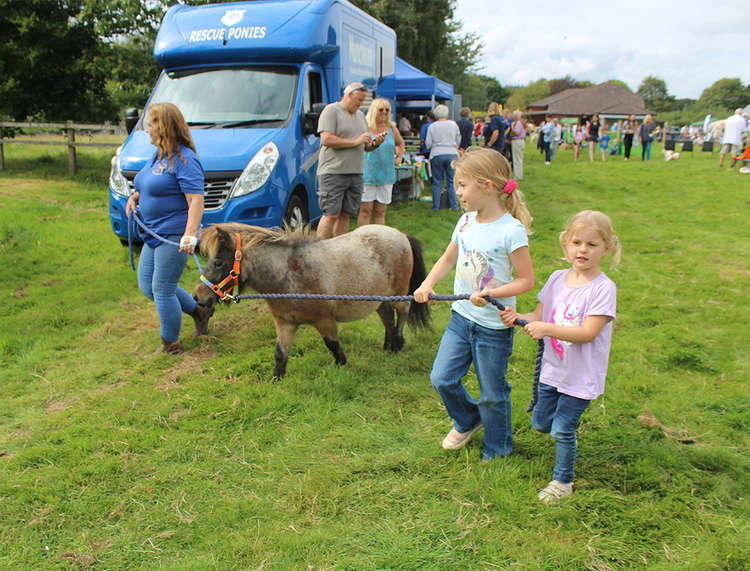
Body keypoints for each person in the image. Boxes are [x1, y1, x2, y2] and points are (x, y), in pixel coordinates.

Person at [414, 148, 535, 462]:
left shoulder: (511, 231)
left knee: (493, 394)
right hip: (461, 317)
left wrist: (491, 294)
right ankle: (468, 418)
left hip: (493, 327)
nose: (457, 191)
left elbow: (526, 280)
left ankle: (498, 448)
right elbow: (448, 257)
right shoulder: (465, 222)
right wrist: (427, 284)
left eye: (462, 185)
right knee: (441, 377)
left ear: (487, 187)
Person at [500, 210, 620, 504]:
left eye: (592, 244)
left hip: (581, 375)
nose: (583, 250)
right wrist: (518, 318)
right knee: (541, 424)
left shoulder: (603, 289)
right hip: (552, 371)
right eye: (577, 242)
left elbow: (589, 331)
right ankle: (559, 435)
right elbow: (538, 316)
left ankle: (562, 481)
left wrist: (546, 328)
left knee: (562, 429)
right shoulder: (556, 279)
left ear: (606, 248)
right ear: (565, 244)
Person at [124, 102, 209, 356]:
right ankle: (199, 311)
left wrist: (190, 234)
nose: (146, 129)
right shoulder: (160, 155)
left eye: (150, 124)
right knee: (148, 286)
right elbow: (151, 184)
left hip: (173, 234)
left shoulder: (185, 159)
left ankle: (171, 345)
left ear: (162, 127)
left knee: (162, 289)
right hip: (152, 233)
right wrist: (135, 197)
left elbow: (196, 200)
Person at [316, 82, 386, 239]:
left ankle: (338, 250)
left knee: (346, 215)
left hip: (355, 173)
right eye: (359, 100)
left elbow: (365, 145)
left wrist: (375, 143)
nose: (360, 104)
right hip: (333, 172)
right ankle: (319, 249)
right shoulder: (331, 111)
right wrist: (356, 141)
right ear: (349, 95)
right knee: (330, 215)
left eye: (362, 101)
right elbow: (326, 139)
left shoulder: (360, 116)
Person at [358, 98, 405, 226]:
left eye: (387, 110)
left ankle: (379, 241)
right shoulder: (365, 126)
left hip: (386, 176)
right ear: (374, 111)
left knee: (380, 211)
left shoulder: (392, 128)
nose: (384, 112)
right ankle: (363, 240)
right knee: (365, 211)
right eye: (381, 109)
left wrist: (399, 157)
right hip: (367, 175)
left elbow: (401, 143)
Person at [425, 104, 461, 211]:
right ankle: (454, 206)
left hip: (437, 154)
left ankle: (436, 206)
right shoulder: (453, 125)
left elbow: (428, 144)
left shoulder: (432, 126)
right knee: (451, 181)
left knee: (437, 181)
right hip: (452, 152)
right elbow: (458, 140)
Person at [510, 110, 527, 180]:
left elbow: (517, 133)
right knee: (518, 158)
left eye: (514, 115)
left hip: (517, 141)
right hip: (520, 141)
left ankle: (518, 176)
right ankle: (518, 175)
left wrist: (512, 127)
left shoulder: (518, 123)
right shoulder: (520, 123)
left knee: (517, 159)